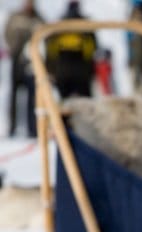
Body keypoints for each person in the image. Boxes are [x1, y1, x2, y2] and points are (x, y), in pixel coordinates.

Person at [4, 0, 43, 137]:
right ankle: (12, 127)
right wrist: (14, 48)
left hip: (31, 62)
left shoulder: (39, 19)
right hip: (16, 60)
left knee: (32, 96)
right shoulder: (15, 17)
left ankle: (32, 129)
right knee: (14, 95)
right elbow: (7, 34)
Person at [45, 1, 97, 98]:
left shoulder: (59, 25)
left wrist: (50, 69)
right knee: (86, 104)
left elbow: (51, 51)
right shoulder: (85, 25)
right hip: (82, 72)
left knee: (64, 105)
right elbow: (92, 49)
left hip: (62, 72)